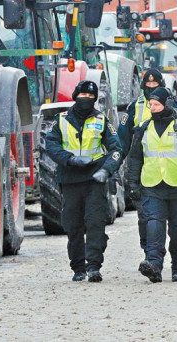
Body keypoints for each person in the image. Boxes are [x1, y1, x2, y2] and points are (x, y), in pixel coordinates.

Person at [45, 80, 123, 282]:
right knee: (73, 226)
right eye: (83, 96)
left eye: (91, 98)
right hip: (70, 179)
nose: (86, 100)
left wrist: (106, 170)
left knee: (96, 223)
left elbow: (116, 149)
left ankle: (94, 266)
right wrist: (69, 159)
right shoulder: (60, 120)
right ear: (75, 96)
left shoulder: (101, 120)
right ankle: (78, 268)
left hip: (94, 179)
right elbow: (51, 145)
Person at [127, 87, 177, 283]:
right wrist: (133, 184)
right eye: (151, 105)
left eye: (157, 104)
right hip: (152, 185)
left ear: (167, 104)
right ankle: (154, 264)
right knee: (153, 223)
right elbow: (135, 159)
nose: (153, 108)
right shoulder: (143, 128)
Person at [117, 68, 177, 256]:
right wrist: (114, 166)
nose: (151, 87)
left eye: (155, 84)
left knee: (176, 224)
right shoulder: (134, 107)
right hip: (146, 173)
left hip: (174, 174)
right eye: (148, 84)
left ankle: (174, 260)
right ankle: (149, 254)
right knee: (146, 219)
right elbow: (122, 141)